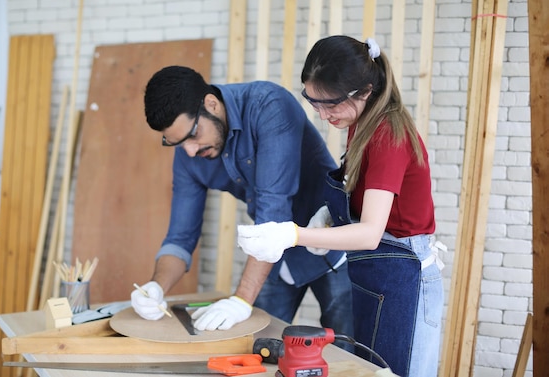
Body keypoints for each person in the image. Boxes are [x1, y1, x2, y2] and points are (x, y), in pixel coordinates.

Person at [237, 35, 445, 377]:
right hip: (377, 276)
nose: (321, 114)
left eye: (330, 104)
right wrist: (330, 220)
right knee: (370, 370)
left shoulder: (386, 136)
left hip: (403, 278)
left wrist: (293, 234)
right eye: (313, 102)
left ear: (364, 91)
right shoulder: (360, 124)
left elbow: (369, 233)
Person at [130, 65, 353, 344]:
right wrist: (156, 288)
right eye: (176, 143)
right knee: (258, 347)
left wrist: (241, 299)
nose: (189, 151)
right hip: (275, 255)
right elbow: (180, 237)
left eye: (193, 136)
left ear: (210, 104)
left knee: (346, 349)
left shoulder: (269, 106)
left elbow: (274, 211)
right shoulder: (189, 152)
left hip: (331, 241)